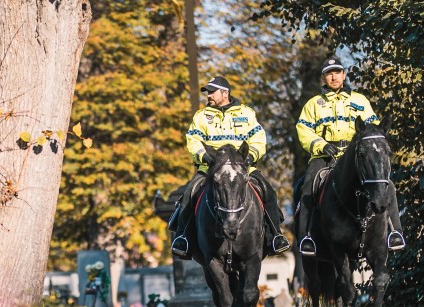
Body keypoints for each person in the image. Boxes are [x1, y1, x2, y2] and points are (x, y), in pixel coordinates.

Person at [170, 76, 290, 259]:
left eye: (212, 91)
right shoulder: (201, 116)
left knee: (268, 191)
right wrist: (203, 156)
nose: (209, 95)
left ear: (225, 93)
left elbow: (258, 139)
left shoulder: (247, 113)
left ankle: (275, 236)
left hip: (243, 169)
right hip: (211, 170)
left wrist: (251, 156)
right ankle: (183, 238)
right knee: (189, 194)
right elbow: (193, 140)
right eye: (207, 92)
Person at [295, 56, 405, 255]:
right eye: (329, 73)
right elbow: (303, 129)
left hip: (357, 155)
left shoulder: (359, 100)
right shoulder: (313, 104)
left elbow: (373, 127)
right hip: (326, 154)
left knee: (386, 183)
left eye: (337, 72)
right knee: (308, 184)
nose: (334, 76)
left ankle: (395, 232)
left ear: (344, 75)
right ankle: (307, 237)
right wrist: (320, 145)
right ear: (324, 78)